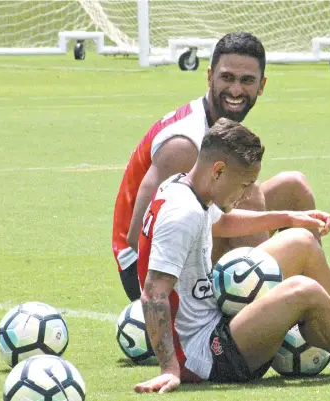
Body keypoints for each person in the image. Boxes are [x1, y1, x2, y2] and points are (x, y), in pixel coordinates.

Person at [133, 119, 330, 393]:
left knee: (301, 241)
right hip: (205, 354)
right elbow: (153, 294)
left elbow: (219, 224)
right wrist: (170, 368)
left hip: (214, 314)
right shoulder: (182, 214)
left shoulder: (183, 188)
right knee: (304, 290)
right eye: (244, 184)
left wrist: (290, 217)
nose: (246, 193)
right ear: (218, 171)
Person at [112, 31, 317, 303]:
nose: (235, 90)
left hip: (186, 244)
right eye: (227, 77)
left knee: (294, 187)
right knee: (250, 197)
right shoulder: (185, 144)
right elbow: (139, 235)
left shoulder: (221, 124)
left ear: (261, 85)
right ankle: (265, 313)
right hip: (146, 271)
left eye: (247, 81)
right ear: (210, 77)